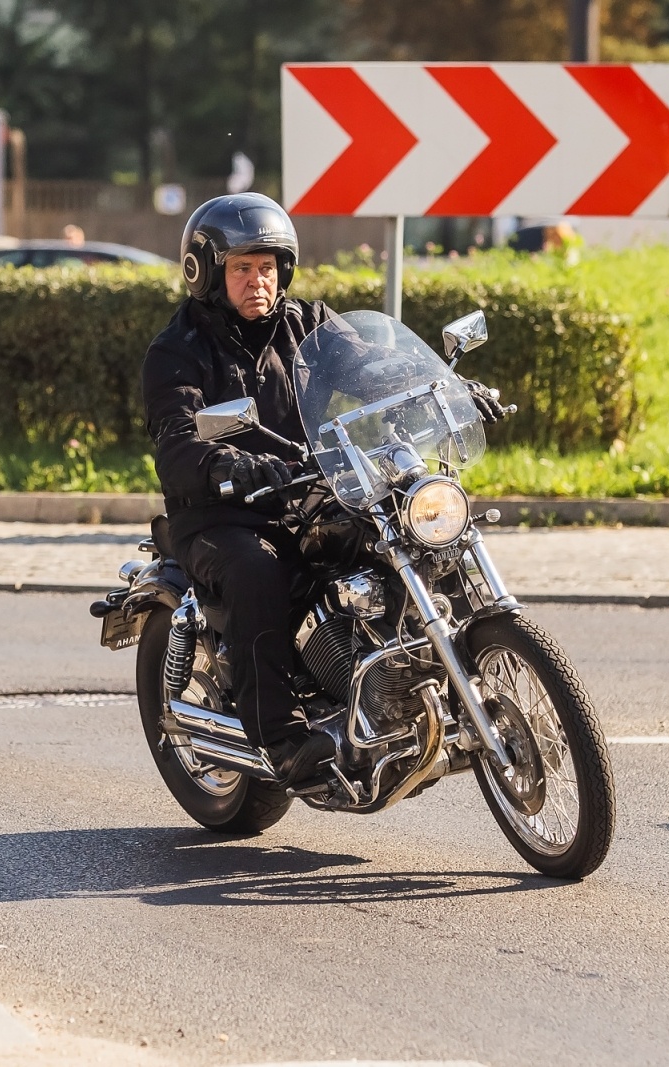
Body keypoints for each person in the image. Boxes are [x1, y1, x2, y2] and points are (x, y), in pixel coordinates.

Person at [141, 193, 507, 786]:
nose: (257, 281)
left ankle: (412, 681)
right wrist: (236, 465)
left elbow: (372, 368)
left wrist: (454, 386)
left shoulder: (305, 323)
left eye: (267, 267)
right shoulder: (176, 351)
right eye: (241, 268)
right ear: (206, 273)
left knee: (405, 537)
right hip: (220, 514)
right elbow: (178, 443)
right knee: (258, 574)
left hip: (311, 488)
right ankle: (283, 740)